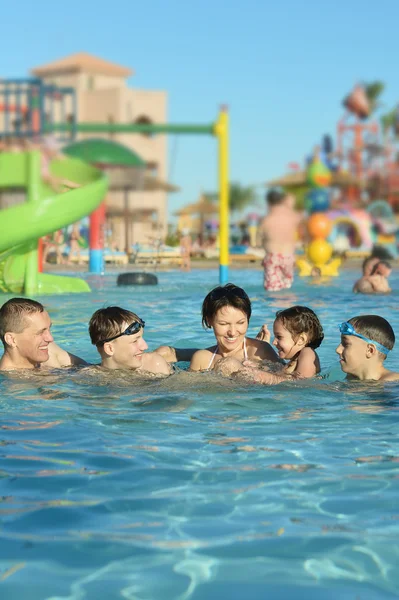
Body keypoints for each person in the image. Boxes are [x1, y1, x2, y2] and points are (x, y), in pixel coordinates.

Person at [188, 283, 279, 372]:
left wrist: (261, 371)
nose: (232, 332)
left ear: (248, 319)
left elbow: (287, 379)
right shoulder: (202, 360)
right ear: (209, 320)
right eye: (224, 324)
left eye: (240, 323)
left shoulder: (260, 353)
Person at [223, 305, 324, 383]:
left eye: (279, 337)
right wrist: (259, 367)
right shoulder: (294, 360)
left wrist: (266, 377)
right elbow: (284, 376)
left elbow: (303, 384)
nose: (274, 342)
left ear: (301, 339)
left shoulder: (307, 353)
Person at [0, 297, 86, 371]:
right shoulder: (12, 385)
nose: (50, 338)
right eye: (40, 332)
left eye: (49, 329)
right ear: (11, 340)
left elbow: (90, 369)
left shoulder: (48, 350)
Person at [88, 306, 171, 375]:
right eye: (135, 341)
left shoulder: (153, 365)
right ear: (110, 348)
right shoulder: (89, 376)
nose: (145, 346)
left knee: (166, 352)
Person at [258, 188, 300, 292]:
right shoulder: (292, 216)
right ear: (281, 201)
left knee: (272, 292)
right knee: (287, 291)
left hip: (273, 257)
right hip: (289, 257)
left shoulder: (267, 219)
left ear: (268, 202)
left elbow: (258, 240)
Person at [336, 315, 399, 382]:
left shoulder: (393, 382)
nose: (337, 350)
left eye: (345, 344)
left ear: (370, 350)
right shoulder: (352, 377)